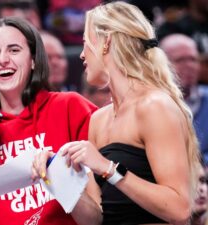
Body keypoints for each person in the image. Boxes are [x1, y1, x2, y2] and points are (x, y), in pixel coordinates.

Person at [32, 2, 201, 225]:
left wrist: (108, 169)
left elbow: (179, 209)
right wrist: (57, 178)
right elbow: (94, 219)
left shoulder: (154, 106)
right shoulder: (98, 119)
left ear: (106, 42)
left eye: (85, 42)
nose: (82, 55)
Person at [0, 17, 101, 225]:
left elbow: (105, 199)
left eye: (14, 50)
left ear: (34, 60)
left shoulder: (71, 107)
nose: (3, 60)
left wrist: (58, 173)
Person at [160, 34, 208, 164]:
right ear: (162, 64)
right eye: (180, 60)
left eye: (193, 59)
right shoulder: (152, 104)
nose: (189, 66)